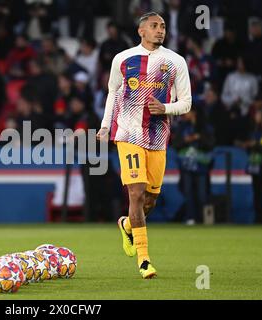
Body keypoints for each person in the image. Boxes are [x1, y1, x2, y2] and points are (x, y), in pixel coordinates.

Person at [97, 12, 192, 279]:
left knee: (150, 199)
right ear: (141, 31)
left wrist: (166, 107)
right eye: (154, 26)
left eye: (162, 26)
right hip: (127, 133)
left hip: (157, 136)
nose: (160, 30)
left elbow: (187, 102)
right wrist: (105, 125)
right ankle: (144, 259)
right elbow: (113, 93)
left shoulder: (175, 62)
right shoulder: (123, 59)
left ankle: (127, 225)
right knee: (136, 194)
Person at [173, 106, 214, 225]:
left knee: (202, 194)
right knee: (188, 192)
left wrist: (199, 138)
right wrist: (186, 140)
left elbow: (210, 144)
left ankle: (205, 218)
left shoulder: (205, 127)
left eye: (188, 111)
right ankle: (191, 218)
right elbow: (175, 144)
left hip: (201, 165)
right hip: (186, 165)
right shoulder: (182, 127)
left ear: (194, 113)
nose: (186, 114)